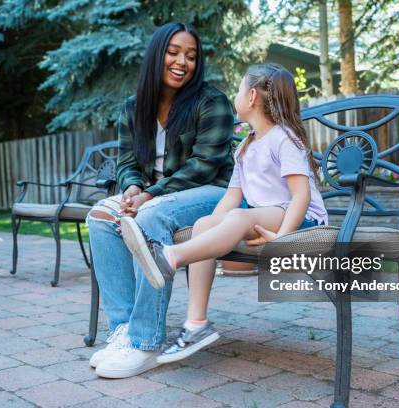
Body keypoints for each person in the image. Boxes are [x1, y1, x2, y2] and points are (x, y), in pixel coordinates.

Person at [120, 63, 328, 363]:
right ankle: (196, 325)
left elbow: (301, 196)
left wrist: (283, 240)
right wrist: (208, 228)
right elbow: (231, 198)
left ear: (253, 96)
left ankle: (168, 257)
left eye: (240, 89)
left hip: (303, 221)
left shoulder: (284, 139)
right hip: (268, 216)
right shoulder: (245, 147)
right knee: (207, 222)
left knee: (240, 218)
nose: (237, 96)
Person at [86, 22, 234, 378]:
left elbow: (205, 165)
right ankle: (123, 331)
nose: (183, 61)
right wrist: (133, 188)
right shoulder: (133, 107)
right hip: (156, 197)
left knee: (148, 217)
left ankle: (146, 343)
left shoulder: (210, 102)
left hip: (213, 193)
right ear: (157, 55)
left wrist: (150, 194)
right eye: (173, 52)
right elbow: (127, 162)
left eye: (191, 56)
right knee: (101, 216)